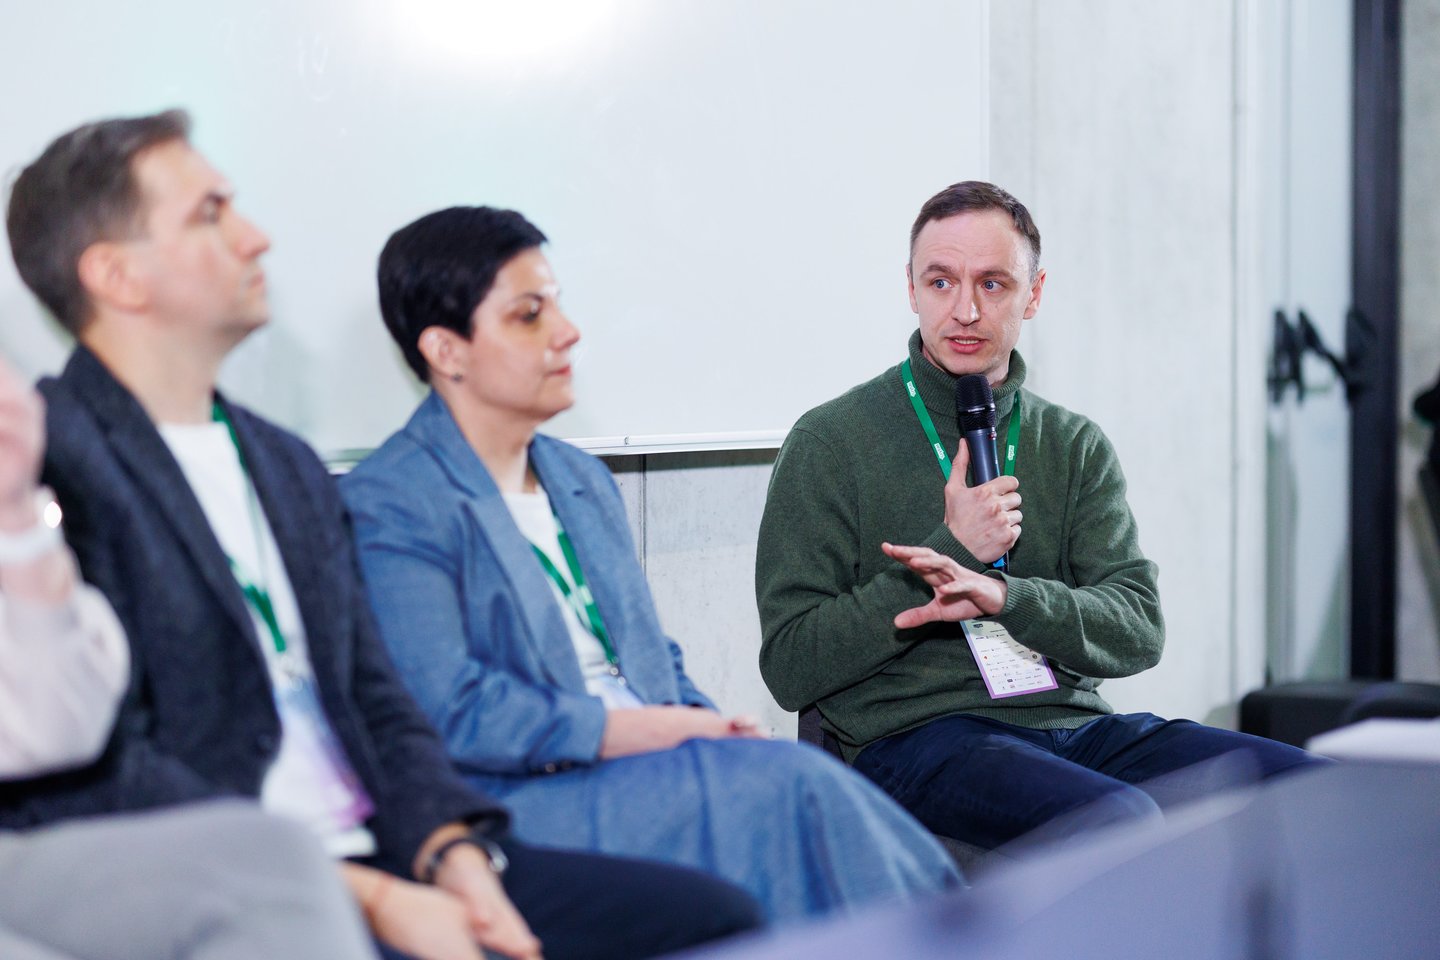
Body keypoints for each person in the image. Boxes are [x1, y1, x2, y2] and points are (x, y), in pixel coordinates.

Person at [4, 110, 762, 960]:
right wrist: (363, 895)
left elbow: (378, 698)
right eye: (210, 213)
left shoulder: (282, 462)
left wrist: (454, 855)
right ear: (117, 275)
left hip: (389, 846)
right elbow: (101, 760)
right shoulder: (46, 462)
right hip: (234, 881)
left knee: (714, 918)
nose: (255, 237)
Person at [339, 206, 962, 922]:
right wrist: (655, 733)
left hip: (653, 759)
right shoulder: (391, 501)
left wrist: (702, 722)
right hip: (531, 790)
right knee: (799, 794)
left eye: (558, 304)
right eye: (529, 315)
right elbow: (450, 710)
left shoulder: (578, 477)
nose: (567, 331)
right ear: (447, 351)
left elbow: (649, 654)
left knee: (793, 786)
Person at [754, 181, 1324, 852]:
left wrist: (1009, 598)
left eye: (993, 284)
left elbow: (1138, 627)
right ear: (911, 289)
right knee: (1119, 821)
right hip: (918, 736)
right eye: (941, 282)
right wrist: (951, 550)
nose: (965, 310)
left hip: (1073, 726)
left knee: (1319, 789)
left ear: (1035, 293)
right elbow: (790, 664)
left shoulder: (1073, 444)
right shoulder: (831, 442)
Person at [0, 354, 381, 960]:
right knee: (274, 868)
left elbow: (60, 729)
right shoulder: (83, 447)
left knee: (273, 863)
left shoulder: (284, 458)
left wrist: (16, 516)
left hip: (338, 836)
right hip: (90, 837)